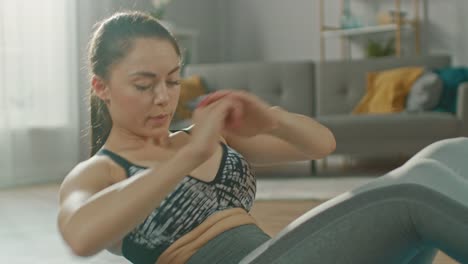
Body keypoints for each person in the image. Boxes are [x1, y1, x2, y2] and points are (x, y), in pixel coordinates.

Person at [57, 11, 468, 264]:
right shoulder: (99, 172)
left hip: (278, 253)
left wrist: (270, 118)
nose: (163, 98)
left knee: (446, 154)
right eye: (144, 85)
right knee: (410, 197)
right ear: (102, 86)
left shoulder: (203, 138)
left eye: (172, 80)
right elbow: (79, 235)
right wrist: (187, 156)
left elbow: (321, 145)